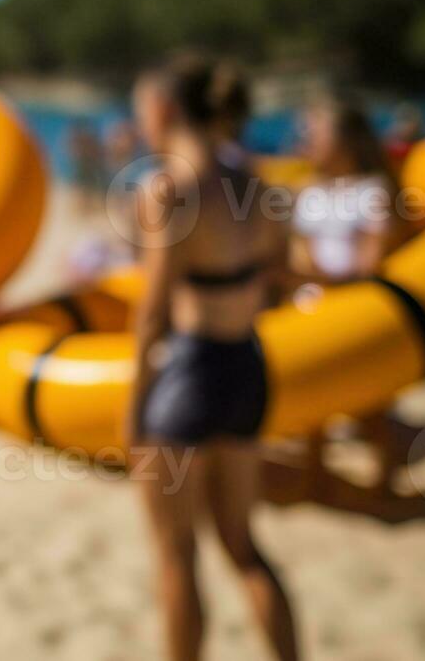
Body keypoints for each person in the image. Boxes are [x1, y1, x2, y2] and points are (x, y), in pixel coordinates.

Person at [125, 55, 298, 661]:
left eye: (141, 108)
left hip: (188, 375)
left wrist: (133, 407)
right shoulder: (256, 182)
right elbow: (282, 277)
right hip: (247, 366)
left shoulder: (167, 189)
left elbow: (151, 312)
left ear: (164, 110)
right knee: (244, 547)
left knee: (176, 556)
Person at [290, 91, 401, 495]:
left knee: (369, 403)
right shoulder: (310, 191)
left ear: (347, 140)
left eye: (315, 133)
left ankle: (383, 477)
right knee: (312, 401)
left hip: (355, 305)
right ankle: (314, 472)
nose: (305, 140)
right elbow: (302, 251)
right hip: (314, 302)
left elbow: (371, 260)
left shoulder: (372, 191)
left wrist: (320, 279)